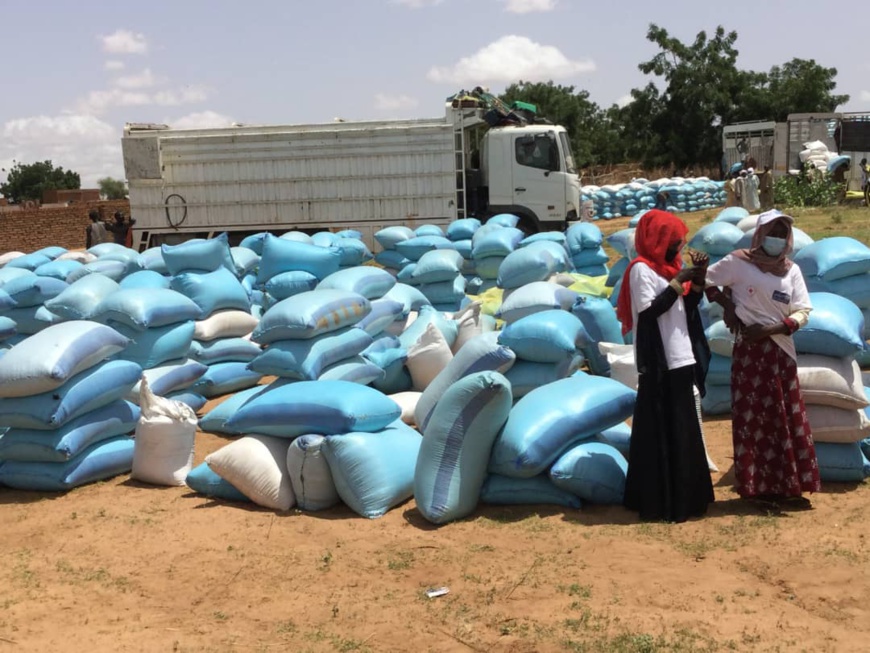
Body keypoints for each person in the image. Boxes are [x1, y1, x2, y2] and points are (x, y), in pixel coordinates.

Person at [705, 210, 819, 511]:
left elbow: (803, 311)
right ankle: (757, 488)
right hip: (750, 356)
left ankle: (787, 486)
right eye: (773, 232)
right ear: (760, 234)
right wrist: (727, 305)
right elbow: (705, 280)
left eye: (783, 233)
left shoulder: (790, 270)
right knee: (753, 419)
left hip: (780, 352)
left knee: (783, 416)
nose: (777, 239)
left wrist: (773, 329)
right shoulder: (739, 263)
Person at [616, 209, 714, 523]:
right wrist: (679, 280)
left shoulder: (671, 268)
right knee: (658, 430)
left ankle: (689, 497)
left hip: (681, 355)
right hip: (660, 361)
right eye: (673, 241)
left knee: (683, 430)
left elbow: (684, 308)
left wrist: (696, 281)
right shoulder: (641, 270)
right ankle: (660, 501)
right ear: (658, 241)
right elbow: (650, 311)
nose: (678, 246)